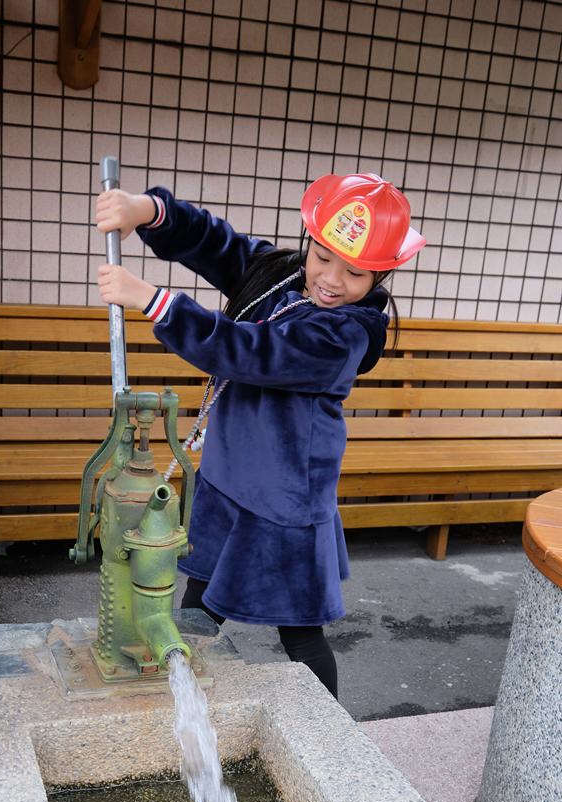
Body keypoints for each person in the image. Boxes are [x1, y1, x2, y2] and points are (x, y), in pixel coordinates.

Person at [95, 172, 425, 701]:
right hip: (228, 481)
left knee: (300, 630)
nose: (332, 279)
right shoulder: (284, 277)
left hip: (284, 500)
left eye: (355, 272)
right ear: (308, 241)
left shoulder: (343, 334)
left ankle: (326, 734)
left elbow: (249, 352)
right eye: (322, 257)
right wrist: (151, 212)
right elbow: (222, 246)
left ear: (383, 273)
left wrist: (154, 301)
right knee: (198, 605)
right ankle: (177, 700)